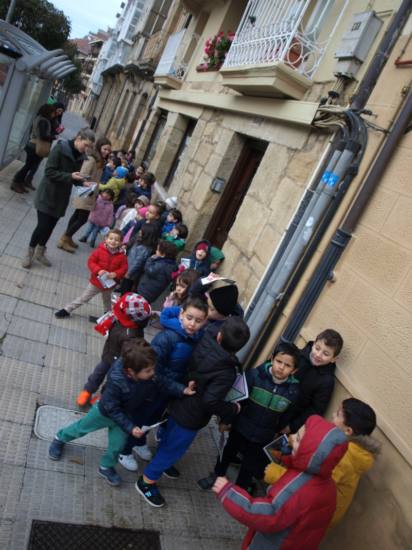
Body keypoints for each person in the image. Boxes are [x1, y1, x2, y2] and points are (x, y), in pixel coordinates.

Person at [136, 316, 250, 507]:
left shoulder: (205, 338)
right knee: (174, 449)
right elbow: (210, 401)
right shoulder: (226, 371)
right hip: (191, 416)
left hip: (180, 396)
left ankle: (162, 462)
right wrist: (232, 408)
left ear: (219, 335)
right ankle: (146, 481)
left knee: (169, 437)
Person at [213, 415, 348, 550]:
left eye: (298, 439)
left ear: (311, 453)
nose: (292, 437)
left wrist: (228, 492)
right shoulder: (328, 485)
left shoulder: (299, 486)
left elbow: (269, 514)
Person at [48, 340, 156, 487]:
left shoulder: (144, 374)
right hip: (104, 413)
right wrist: (130, 427)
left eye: (153, 369)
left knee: (117, 445)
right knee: (81, 428)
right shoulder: (116, 381)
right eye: (148, 371)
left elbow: (162, 381)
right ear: (131, 371)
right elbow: (112, 408)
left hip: (125, 417)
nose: (153, 373)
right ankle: (60, 438)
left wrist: (181, 389)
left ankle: (106, 466)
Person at [198, 342, 300, 492]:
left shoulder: (293, 391)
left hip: (263, 435)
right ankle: (217, 475)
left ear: (294, 370)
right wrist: (227, 420)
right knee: (228, 452)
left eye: (287, 365)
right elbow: (237, 400)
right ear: (272, 359)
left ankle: (240, 491)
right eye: (279, 361)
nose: (281, 367)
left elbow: (288, 414)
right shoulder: (254, 375)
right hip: (241, 425)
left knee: (249, 464)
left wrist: (278, 431)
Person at [265, 398, 380, 528]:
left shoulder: (343, 458)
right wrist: (297, 441)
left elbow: (313, 489)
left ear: (348, 431)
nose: (333, 415)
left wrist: (276, 474)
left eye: (338, 414)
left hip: (315, 514)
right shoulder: (345, 446)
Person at [120, 297, 208, 467]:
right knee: (140, 419)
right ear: (181, 314)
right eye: (189, 318)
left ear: (204, 322)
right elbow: (154, 372)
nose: (192, 324)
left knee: (152, 419)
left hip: (167, 392)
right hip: (151, 390)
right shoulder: (167, 337)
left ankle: (139, 443)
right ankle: (124, 451)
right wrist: (180, 389)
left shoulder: (196, 338)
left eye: (198, 321)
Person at [22, 128, 95, 269]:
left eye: (89, 147)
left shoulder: (80, 156)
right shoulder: (60, 148)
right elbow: (49, 171)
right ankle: (29, 253)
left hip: (61, 198)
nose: (86, 149)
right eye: (85, 145)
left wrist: (83, 183)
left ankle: (40, 252)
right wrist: (70, 176)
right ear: (78, 138)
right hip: (47, 194)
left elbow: (74, 177)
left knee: (50, 227)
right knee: (42, 226)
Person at [76, 292, 152, 407]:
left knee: (111, 380)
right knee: (98, 372)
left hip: (118, 362)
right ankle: (88, 390)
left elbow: (128, 354)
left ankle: (102, 396)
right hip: (109, 353)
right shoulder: (121, 321)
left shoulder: (131, 336)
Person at [54, 229, 127, 318]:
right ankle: (67, 310)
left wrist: (116, 274)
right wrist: (98, 270)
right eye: (111, 238)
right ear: (106, 239)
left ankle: (107, 316)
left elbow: (124, 268)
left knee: (107, 300)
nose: (113, 241)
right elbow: (91, 262)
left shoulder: (122, 256)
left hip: (109, 285)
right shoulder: (99, 250)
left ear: (120, 243)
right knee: (84, 297)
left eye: (116, 240)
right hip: (96, 282)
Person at [282, 329, 343, 434]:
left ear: (333, 359)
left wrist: (292, 427)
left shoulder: (327, 381)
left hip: (288, 421)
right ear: (314, 344)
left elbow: (315, 410)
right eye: (317, 348)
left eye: (326, 354)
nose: (318, 355)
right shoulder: (297, 356)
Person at [59, 137, 112, 253]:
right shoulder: (92, 159)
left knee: (77, 216)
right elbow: (83, 174)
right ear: (99, 147)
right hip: (86, 191)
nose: (107, 152)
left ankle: (67, 237)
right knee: (82, 218)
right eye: (105, 149)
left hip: (91, 192)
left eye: (108, 150)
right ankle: (64, 239)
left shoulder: (100, 160)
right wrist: (89, 188)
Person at [11, 104, 56, 194]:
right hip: (34, 147)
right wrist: (53, 137)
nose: (53, 114)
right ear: (48, 112)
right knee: (28, 166)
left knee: (29, 166)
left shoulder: (39, 118)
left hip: (32, 145)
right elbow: (43, 136)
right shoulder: (43, 121)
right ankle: (16, 182)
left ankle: (20, 183)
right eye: (53, 112)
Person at [119, 223, 160, 295]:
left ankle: (123, 299)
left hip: (131, 271)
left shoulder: (145, 248)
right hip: (128, 267)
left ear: (146, 234)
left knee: (126, 287)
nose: (140, 231)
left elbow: (138, 262)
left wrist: (129, 272)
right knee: (124, 285)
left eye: (142, 230)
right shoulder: (140, 241)